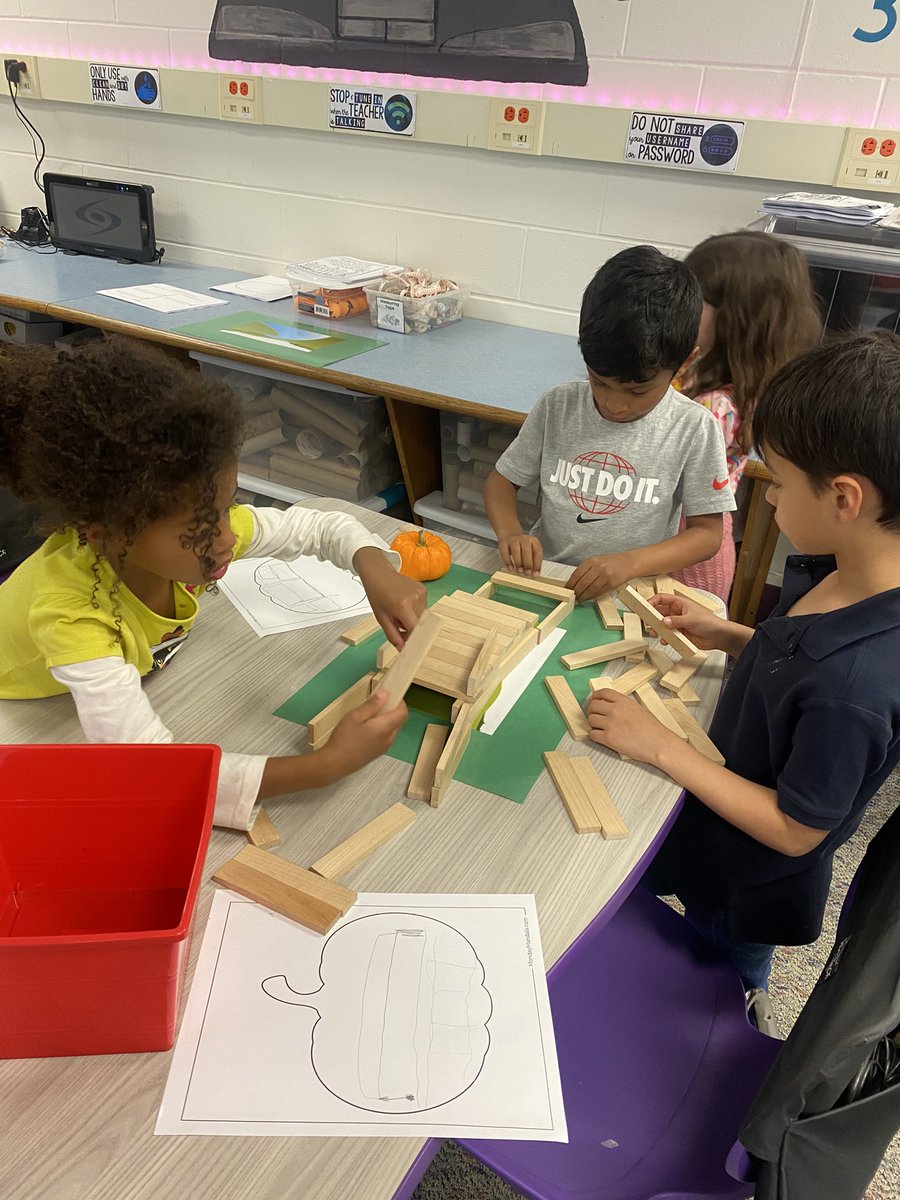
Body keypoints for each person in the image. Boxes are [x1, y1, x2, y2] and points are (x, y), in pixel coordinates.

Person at [0, 337, 426, 829]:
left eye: (223, 509)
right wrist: (322, 766)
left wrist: (373, 565)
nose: (225, 539)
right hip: (25, 715)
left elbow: (318, 525)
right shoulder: (73, 617)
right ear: (108, 533)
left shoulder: (192, 539)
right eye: (198, 531)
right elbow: (150, 775)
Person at [587, 331, 900, 996]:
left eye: (779, 484)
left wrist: (662, 749)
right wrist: (728, 634)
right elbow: (797, 650)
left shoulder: (857, 686)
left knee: (723, 972)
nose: (771, 499)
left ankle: (742, 1008)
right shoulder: (854, 568)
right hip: (718, 813)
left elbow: (794, 829)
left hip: (750, 873)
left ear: (845, 498)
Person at [483, 245, 736, 600]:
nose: (614, 404)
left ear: (684, 363)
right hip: (549, 577)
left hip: (630, 591)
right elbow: (500, 483)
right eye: (599, 381)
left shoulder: (694, 428)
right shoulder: (558, 405)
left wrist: (628, 563)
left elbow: (707, 534)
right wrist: (510, 533)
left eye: (637, 391)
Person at [670, 230, 822, 601]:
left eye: (694, 300)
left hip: (684, 556)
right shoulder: (720, 379)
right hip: (686, 543)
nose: (678, 308)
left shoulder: (714, 408)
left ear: (733, 321)